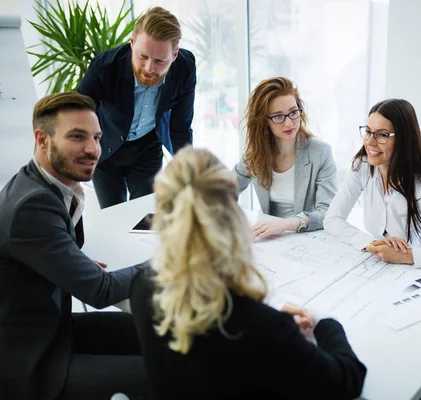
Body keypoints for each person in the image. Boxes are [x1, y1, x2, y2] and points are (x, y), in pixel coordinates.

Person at [130, 147, 366, 399]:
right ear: (233, 215)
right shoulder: (262, 329)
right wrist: (322, 322)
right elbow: (347, 379)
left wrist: (275, 325)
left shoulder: (142, 286)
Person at [0, 92, 149, 400]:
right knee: (170, 373)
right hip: (32, 359)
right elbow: (101, 292)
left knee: (162, 334)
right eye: (77, 137)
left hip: (53, 326)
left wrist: (70, 262)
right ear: (42, 139)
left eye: (96, 137)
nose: (93, 149)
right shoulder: (33, 204)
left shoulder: (44, 183)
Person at [324, 99, 421, 268]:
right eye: (368, 131)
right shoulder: (363, 167)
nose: (370, 141)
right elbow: (332, 219)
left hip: (417, 274)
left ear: (403, 140)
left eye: (382, 135)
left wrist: (409, 256)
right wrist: (374, 244)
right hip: (381, 268)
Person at [79, 6, 196, 209]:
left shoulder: (185, 68)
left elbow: (181, 125)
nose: (150, 68)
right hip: (106, 150)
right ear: (132, 44)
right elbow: (78, 117)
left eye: (160, 61)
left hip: (147, 149)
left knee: (145, 218)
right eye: (143, 56)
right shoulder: (104, 67)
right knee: (114, 216)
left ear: (174, 55)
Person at [233, 77, 337, 241]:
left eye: (293, 113)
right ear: (264, 121)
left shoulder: (320, 152)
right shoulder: (255, 153)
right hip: (269, 238)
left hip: (308, 238)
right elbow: (225, 189)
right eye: (278, 116)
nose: (289, 123)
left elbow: (328, 212)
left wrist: (286, 224)